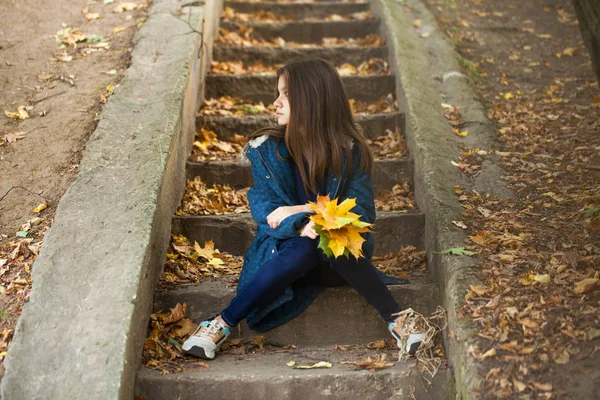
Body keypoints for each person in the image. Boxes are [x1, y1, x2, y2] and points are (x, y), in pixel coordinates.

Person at [182, 58, 424, 360]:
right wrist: (299, 226)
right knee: (306, 246)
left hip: (339, 262)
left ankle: (398, 321)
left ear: (312, 99)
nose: (276, 103)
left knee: (331, 236)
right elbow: (265, 209)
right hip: (285, 260)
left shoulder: (350, 150)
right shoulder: (267, 150)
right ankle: (219, 324)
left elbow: (362, 212)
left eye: (286, 95)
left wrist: (309, 211)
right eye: (277, 94)